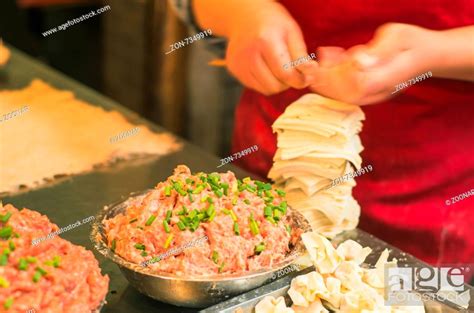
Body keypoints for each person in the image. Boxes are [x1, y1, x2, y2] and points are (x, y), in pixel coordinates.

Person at [170, 0, 474, 271]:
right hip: (272, 178)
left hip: (433, 208)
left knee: (409, 303)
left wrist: (434, 53)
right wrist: (241, 13)